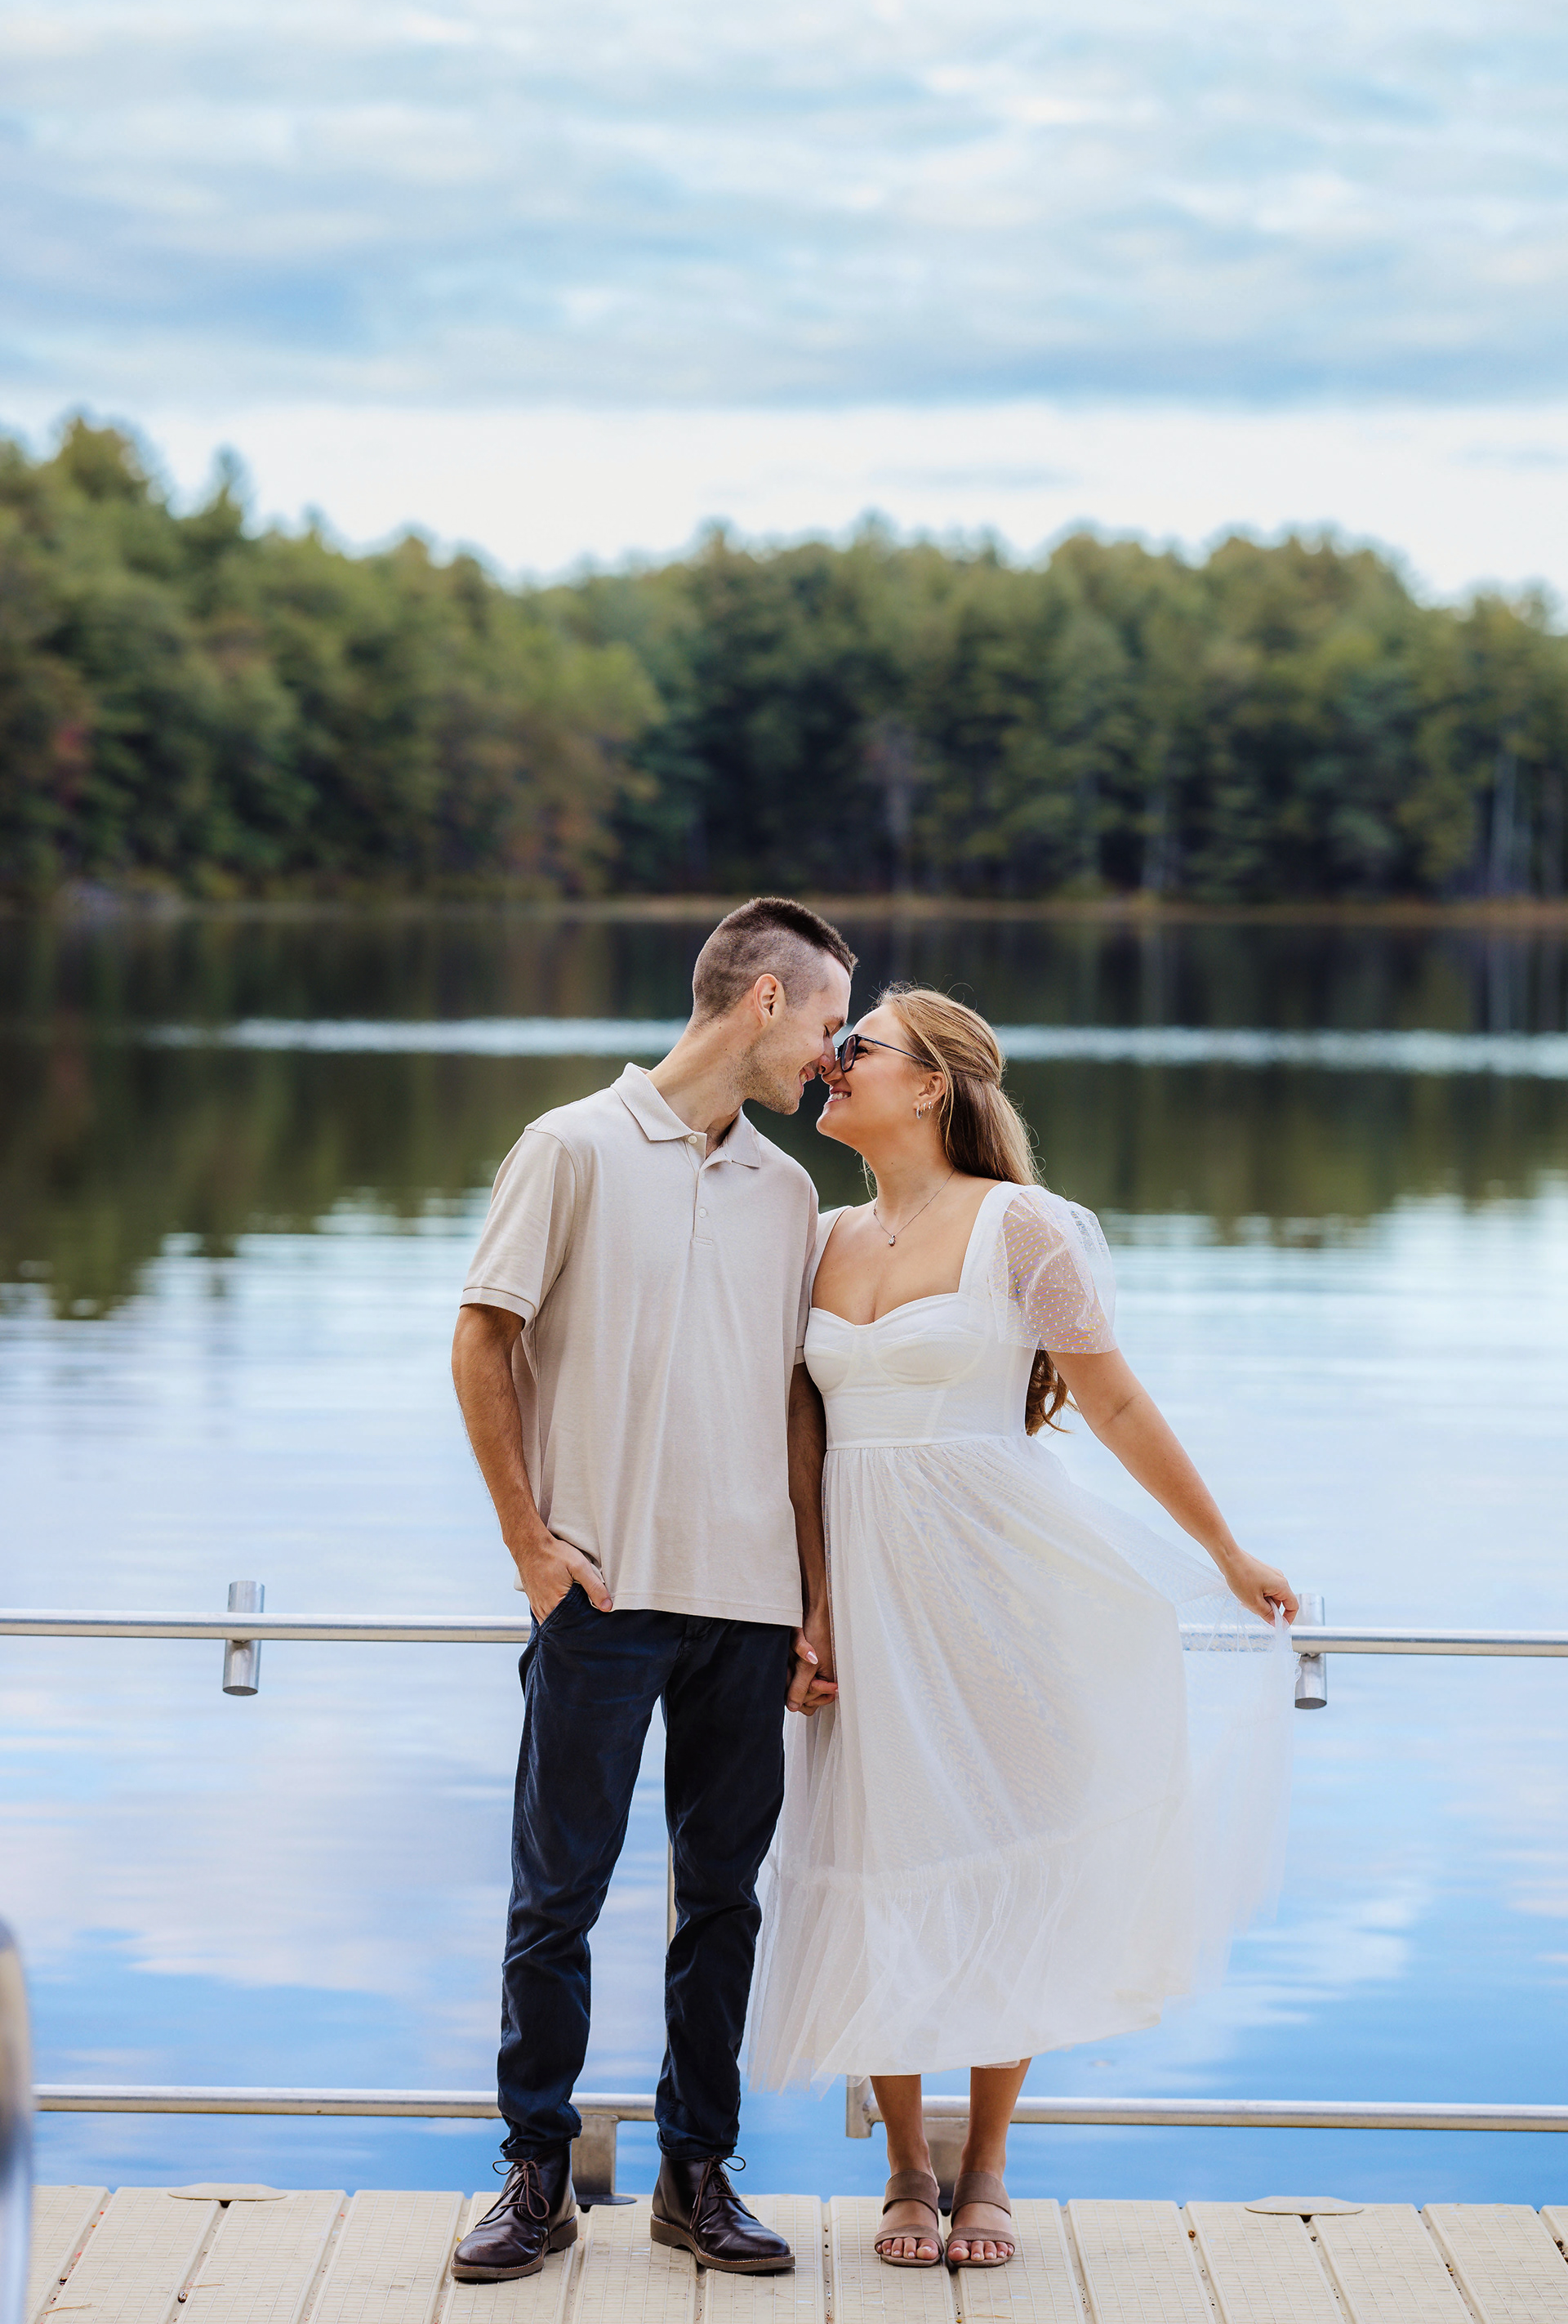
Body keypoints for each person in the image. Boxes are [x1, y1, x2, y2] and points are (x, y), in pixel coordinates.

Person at [747, 987, 1299, 2273]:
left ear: (931, 1083)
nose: (831, 1066)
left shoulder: (1021, 1226)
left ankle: (986, 2163)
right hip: (866, 1597)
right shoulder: (819, 1237)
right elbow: (802, 1433)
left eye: (856, 1050)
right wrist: (813, 1598)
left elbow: (1108, 1400)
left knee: (1007, 1853)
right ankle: (901, 2166)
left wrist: (1224, 1550)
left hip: (1002, 1587)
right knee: (876, 1854)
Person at [448, 898, 852, 2283]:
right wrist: (531, 1550)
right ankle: (534, 2173)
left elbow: (798, 1412)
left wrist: (813, 1596)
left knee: (722, 1900)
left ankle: (697, 2173)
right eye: (825, 1023)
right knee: (555, 1897)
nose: (833, 1058)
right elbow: (481, 1342)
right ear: (760, 1006)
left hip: (746, 1606)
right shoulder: (569, 1146)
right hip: (602, 1600)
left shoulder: (792, 1192)